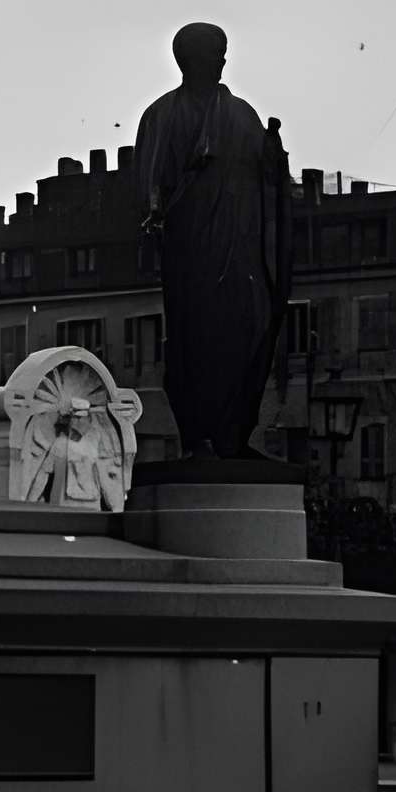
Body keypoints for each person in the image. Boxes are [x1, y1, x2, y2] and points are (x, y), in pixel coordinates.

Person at [131, 23, 293, 462]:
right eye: (216, 52)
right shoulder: (162, 116)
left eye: (225, 51)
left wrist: (274, 161)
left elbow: (267, 180)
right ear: (190, 58)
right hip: (191, 251)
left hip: (241, 251)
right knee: (195, 339)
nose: (223, 60)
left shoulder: (241, 114)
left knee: (249, 331)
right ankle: (198, 436)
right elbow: (149, 186)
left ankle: (233, 435)